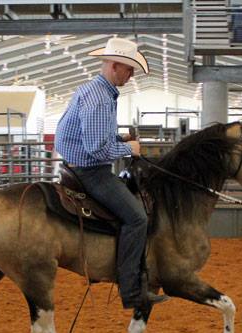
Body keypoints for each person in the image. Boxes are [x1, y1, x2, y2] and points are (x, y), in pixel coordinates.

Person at [55, 37, 168, 309]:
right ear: (115, 66)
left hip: (78, 164)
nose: (131, 76)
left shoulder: (93, 91)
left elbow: (93, 137)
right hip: (90, 171)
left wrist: (118, 139)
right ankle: (130, 291)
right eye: (129, 70)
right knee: (137, 218)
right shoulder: (101, 100)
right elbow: (96, 150)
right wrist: (129, 148)